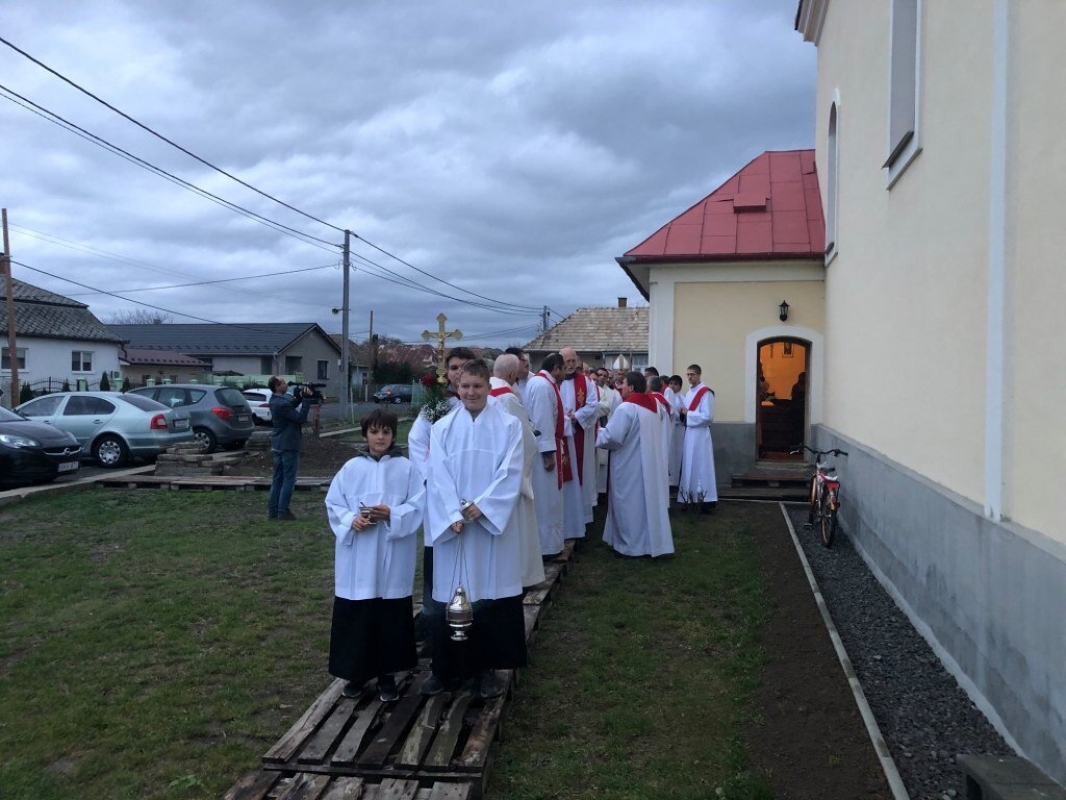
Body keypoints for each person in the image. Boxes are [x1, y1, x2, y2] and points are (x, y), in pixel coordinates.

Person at [424, 359, 526, 699]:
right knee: (449, 596)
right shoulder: (442, 428)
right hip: (454, 527)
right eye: (465, 386)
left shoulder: (508, 425)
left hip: (488, 526)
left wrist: (484, 506)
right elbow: (437, 475)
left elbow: (512, 471)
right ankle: (445, 670)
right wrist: (451, 512)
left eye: (477, 386)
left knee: (489, 595)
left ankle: (485, 670)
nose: (470, 392)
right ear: (457, 387)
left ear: (488, 386)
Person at [325, 408, 425, 702]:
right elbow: (334, 503)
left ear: (393, 436)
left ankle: (386, 675)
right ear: (365, 435)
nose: (380, 437)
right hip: (359, 555)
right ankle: (356, 673)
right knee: (358, 614)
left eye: (386, 432)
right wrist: (351, 520)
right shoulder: (351, 469)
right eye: (374, 432)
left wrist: (392, 513)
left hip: (393, 555)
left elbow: (419, 505)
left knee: (389, 615)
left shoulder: (406, 469)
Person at [408, 347, 476, 632]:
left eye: (464, 366)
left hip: (472, 495)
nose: (459, 372)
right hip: (439, 494)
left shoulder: (479, 404)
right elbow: (417, 443)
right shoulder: (436, 407)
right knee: (438, 554)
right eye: (454, 367)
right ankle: (434, 614)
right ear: (446, 373)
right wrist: (434, 479)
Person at [596, 372, 674, 558]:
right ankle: (648, 543)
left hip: (628, 465)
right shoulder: (655, 406)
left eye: (623, 384)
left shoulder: (626, 408)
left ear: (631, 387)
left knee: (628, 503)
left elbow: (613, 437)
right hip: (649, 464)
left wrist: (597, 432)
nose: (620, 387)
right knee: (647, 504)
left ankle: (629, 545)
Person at [490, 354, 545, 588]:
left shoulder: (486, 391)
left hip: (490, 469)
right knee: (517, 525)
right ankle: (520, 575)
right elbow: (525, 440)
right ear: (512, 374)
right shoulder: (507, 398)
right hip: (511, 471)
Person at [525, 353, 566, 557]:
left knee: (549, 499)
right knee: (546, 499)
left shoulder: (544, 383)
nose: (565, 373)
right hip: (544, 452)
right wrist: (548, 452)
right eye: (564, 369)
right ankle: (546, 547)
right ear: (556, 368)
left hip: (548, 445)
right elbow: (542, 421)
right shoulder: (542, 385)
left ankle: (549, 544)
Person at [558, 347, 598, 537]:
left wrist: (576, 416)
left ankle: (580, 517)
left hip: (578, 433)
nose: (571, 365)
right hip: (560, 436)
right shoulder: (554, 381)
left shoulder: (586, 382)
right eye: (567, 361)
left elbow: (592, 405)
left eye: (573, 361)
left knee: (580, 473)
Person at [268, 375, 313, 520]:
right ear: (277, 386)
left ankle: (273, 510)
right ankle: (283, 510)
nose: (286, 384)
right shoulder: (282, 403)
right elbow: (300, 418)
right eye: (283, 383)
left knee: (277, 479)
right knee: (289, 479)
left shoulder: (274, 401)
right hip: (288, 444)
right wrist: (306, 400)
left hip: (278, 444)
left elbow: (289, 409)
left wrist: (299, 398)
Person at [678, 364, 718, 512]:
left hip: (701, 435)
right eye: (688, 374)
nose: (689, 377)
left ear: (699, 375)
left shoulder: (706, 393)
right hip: (690, 433)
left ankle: (705, 499)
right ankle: (689, 498)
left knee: (701, 465)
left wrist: (688, 413)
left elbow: (708, 417)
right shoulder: (689, 393)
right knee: (689, 465)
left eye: (692, 374)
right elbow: (685, 414)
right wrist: (683, 414)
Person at [593, 367, 621, 497]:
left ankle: (603, 492)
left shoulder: (614, 394)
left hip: (606, 430)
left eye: (605, 376)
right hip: (592, 430)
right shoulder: (590, 390)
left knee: (604, 463)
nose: (602, 377)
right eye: (600, 375)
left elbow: (617, 413)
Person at [665, 375, 686, 491]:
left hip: (680, 429)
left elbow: (686, 412)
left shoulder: (683, 398)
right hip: (670, 428)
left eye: (676, 384)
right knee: (670, 453)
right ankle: (669, 481)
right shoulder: (667, 396)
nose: (673, 386)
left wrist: (682, 415)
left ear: (680, 386)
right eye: (671, 383)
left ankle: (677, 480)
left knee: (679, 454)